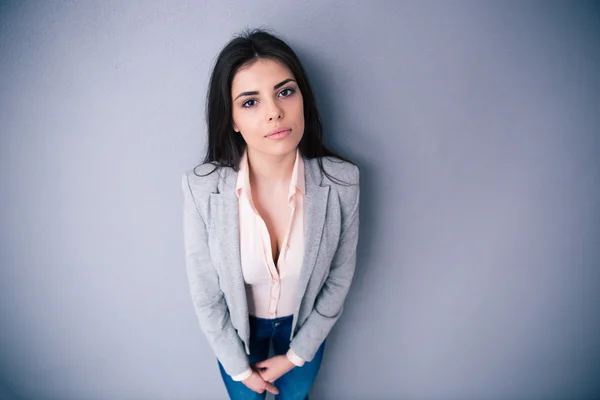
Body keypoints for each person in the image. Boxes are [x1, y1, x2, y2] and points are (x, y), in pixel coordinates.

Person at [181, 28, 360, 400]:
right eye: (250, 102)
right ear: (231, 118)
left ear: (302, 98)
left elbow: (338, 281)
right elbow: (207, 296)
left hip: (303, 330)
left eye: (285, 91)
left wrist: (295, 356)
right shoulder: (202, 188)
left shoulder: (342, 182)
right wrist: (238, 368)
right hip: (237, 337)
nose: (275, 112)